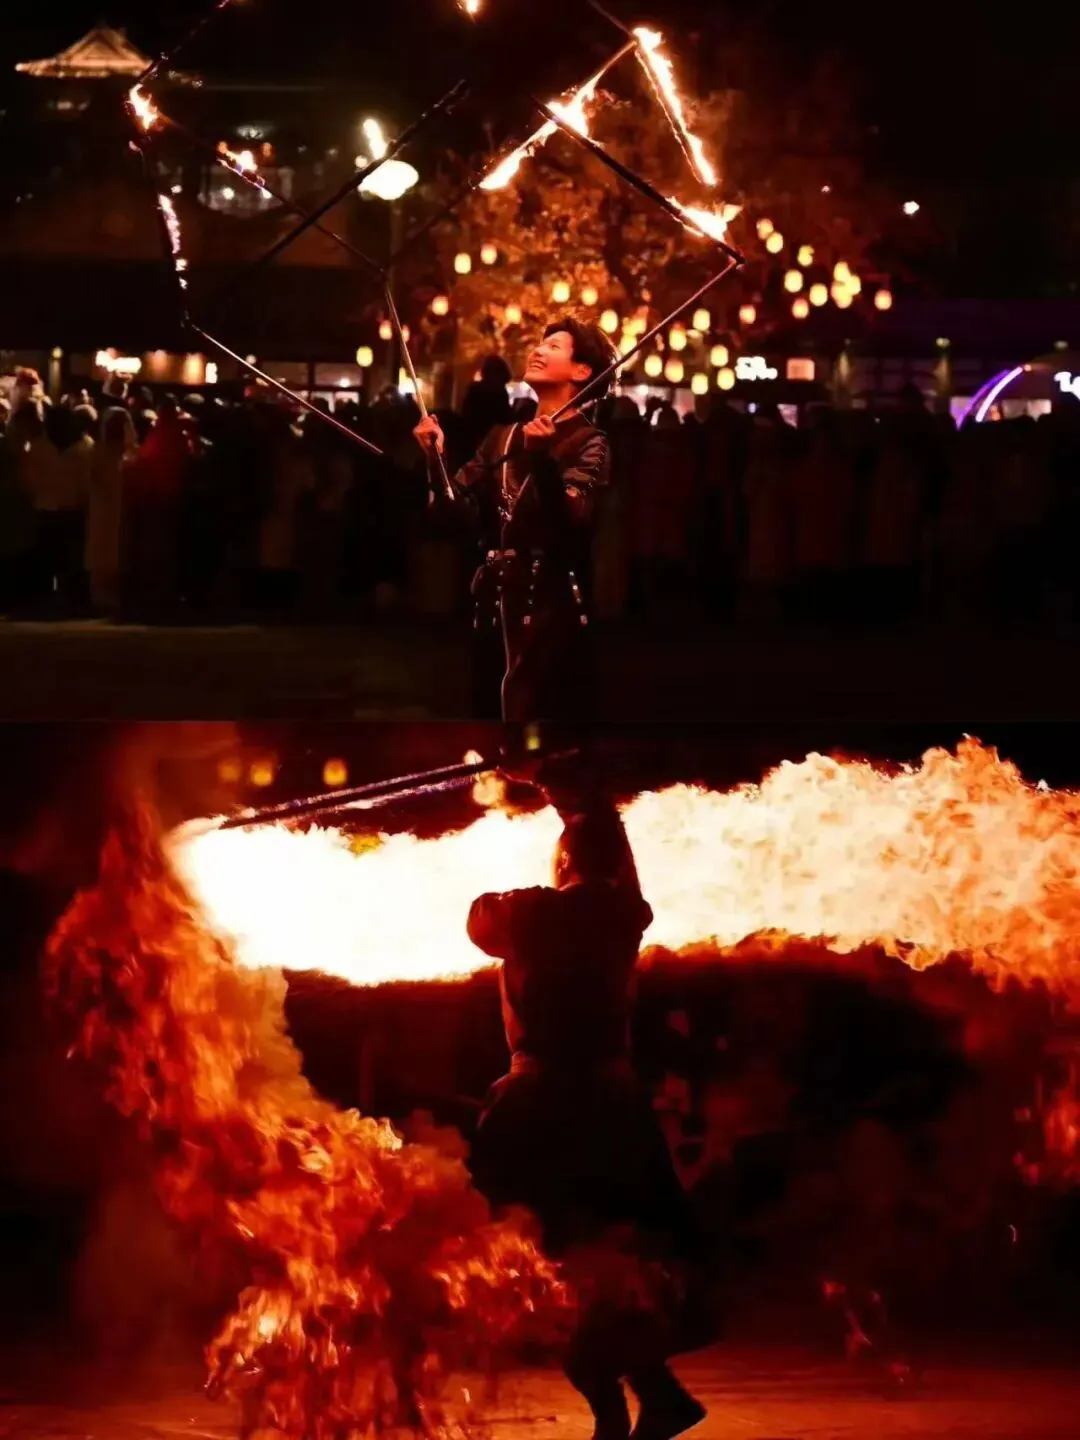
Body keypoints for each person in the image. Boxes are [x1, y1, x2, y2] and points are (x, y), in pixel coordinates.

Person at [466, 758, 708, 1440]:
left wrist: (554, 790)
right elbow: (611, 855)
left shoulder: (534, 912)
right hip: (614, 1103)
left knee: (543, 1255)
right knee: (603, 1255)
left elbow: (479, 921)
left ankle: (621, 1409)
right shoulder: (626, 914)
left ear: (566, 858)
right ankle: (652, 1397)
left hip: (545, 1104)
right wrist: (558, 788)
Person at [413, 319, 615, 722]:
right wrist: (435, 458)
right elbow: (453, 513)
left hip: (551, 603)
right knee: (490, 717)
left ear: (582, 371)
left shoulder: (590, 442)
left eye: (554, 346)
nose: (537, 350)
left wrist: (542, 460)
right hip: (495, 601)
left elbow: (570, 523)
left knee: (540, 720)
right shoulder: (502, 436)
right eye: (540, 344)